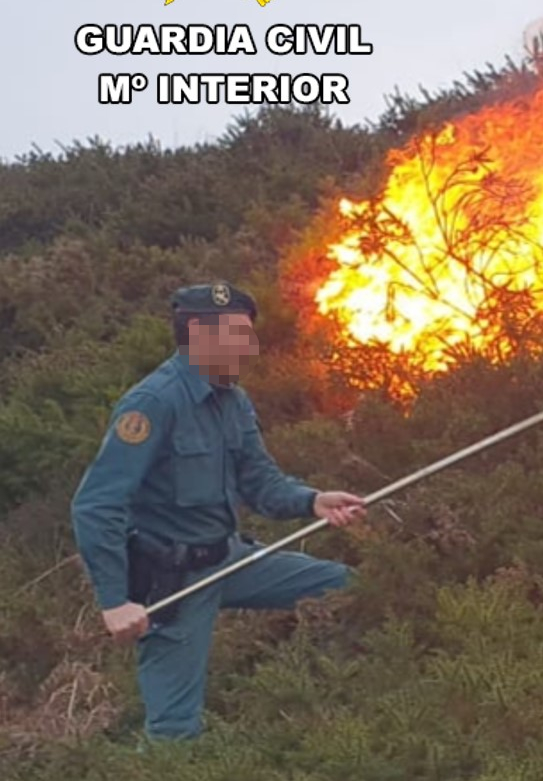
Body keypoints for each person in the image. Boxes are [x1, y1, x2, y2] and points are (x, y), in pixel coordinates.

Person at [71, 281, 367, 742]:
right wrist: (114, 601)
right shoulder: (153, 404)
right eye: (239, 335)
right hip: (173, 582)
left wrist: (312, 500)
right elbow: (96, 505)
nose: (251, 347)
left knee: (348, 587)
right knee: (174, 731)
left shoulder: (234, 399)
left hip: (229, 558)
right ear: (202, 336)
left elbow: (261, 482)